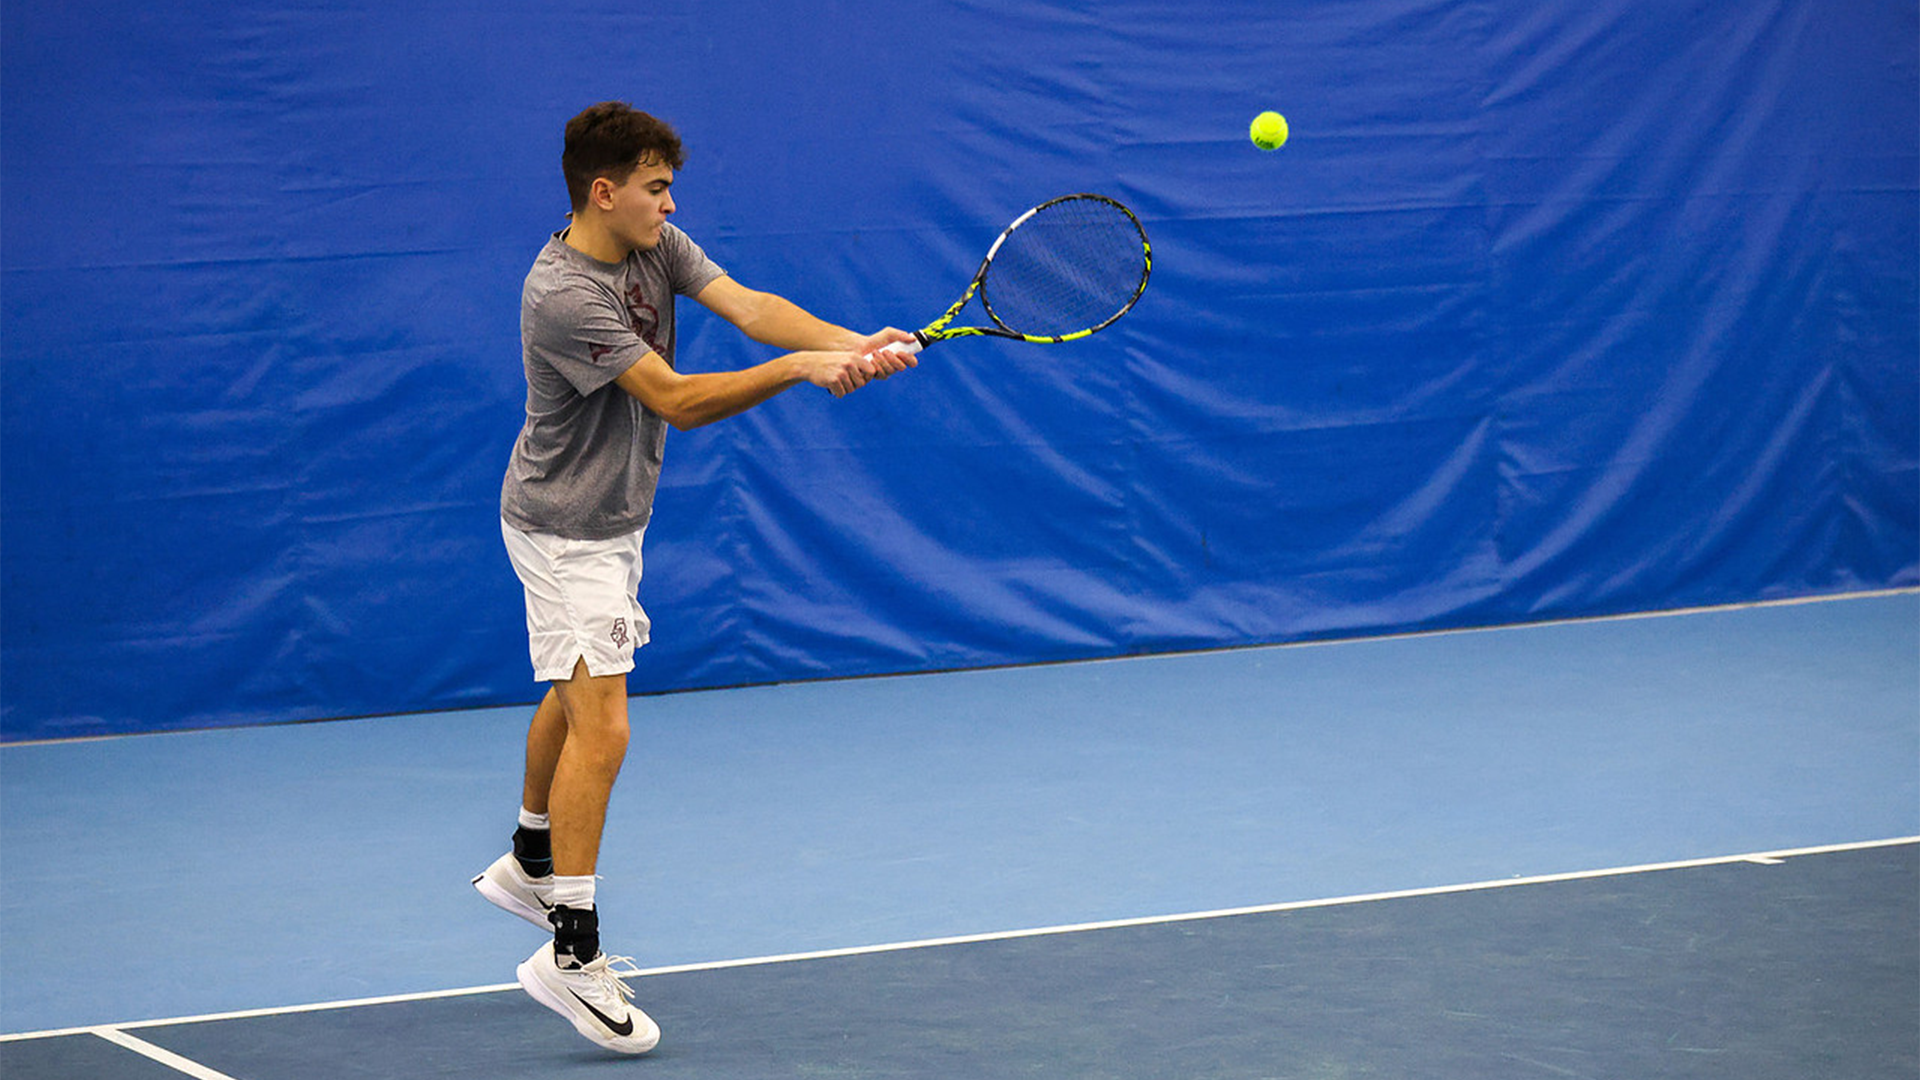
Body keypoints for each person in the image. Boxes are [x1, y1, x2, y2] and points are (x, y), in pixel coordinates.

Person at [471, 101, 915, 1055]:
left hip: (612, 520)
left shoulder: (653, 245)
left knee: (575, 681)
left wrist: (850, 346)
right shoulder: (562, 294)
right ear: (605, 191)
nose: (670, 205)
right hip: (563, 530)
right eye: (657, 188)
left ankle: (528, 856)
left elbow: (750, 307)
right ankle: (571, 955)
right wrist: (804, 369)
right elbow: (674, 401)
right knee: (607, 723)